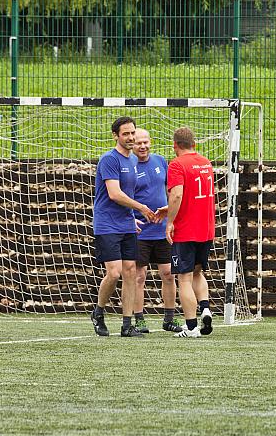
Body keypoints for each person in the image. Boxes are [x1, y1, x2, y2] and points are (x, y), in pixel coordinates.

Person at [91, 116, 157, 338]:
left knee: (130, 271)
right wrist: (141, 208)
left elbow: (128, 194)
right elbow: (115, 194)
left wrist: (131, 218)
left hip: (126, 224)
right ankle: (98, 311)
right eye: (125, 134)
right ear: (115, 136)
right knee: (114, 273)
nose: (130, 137)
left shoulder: (133, 161)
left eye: (132, 133)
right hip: (107, 224)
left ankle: (127, 325)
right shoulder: (109, 159)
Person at [165, 127, 215, 338]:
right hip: (206, 228)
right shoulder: (205, 162)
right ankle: (205, 308)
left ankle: (192, 327)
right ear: (194, 144)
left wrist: (170, 222)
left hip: (186, 229)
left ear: (175, 145)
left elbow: (177, 195)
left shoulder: (177, 164)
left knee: (183, 278)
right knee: (197, 272)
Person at [132, 128, 183, 334]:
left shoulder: (161, 161)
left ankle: (169, 319)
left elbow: (172, 192)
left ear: (150, 142)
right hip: (139, 232)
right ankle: (139, 320)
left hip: (162, 231)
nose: (142, 146)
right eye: (138, 143)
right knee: (139, 276)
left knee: (169, 274)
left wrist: (170, 213)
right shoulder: (127, 166)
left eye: (145, 142)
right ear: (132, 144)